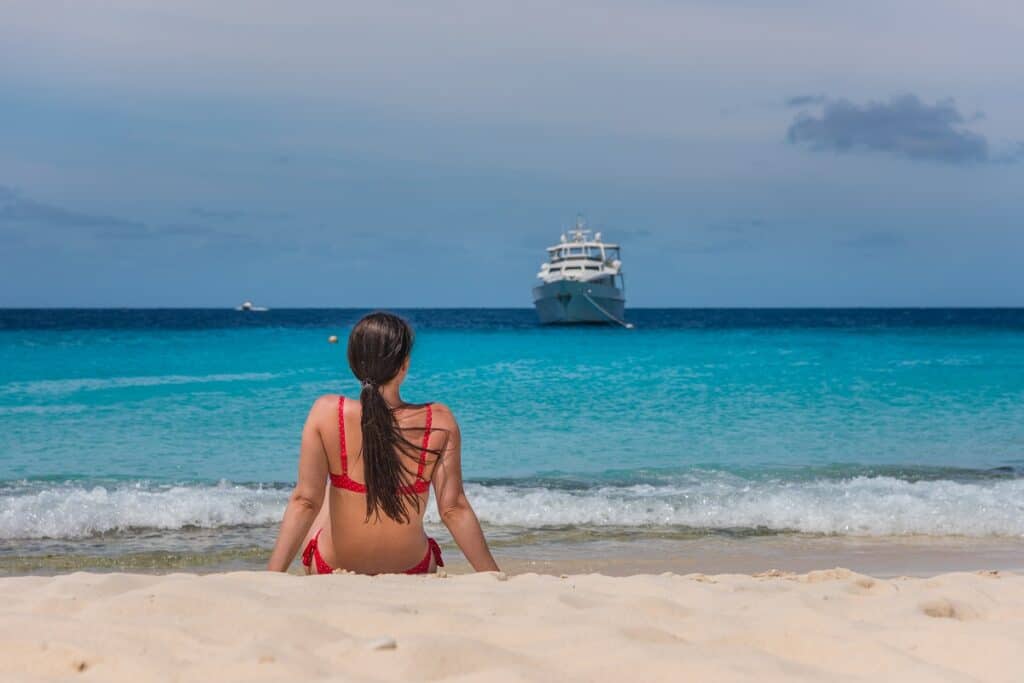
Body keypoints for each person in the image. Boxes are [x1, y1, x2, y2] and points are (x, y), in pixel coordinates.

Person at [267, 311, 499, 575]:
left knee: (324, 494)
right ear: (404, 365)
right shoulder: (439, 420)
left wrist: (271, 577)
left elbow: (305, 502)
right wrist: (493, 575)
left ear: (353, 363)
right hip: (413, 568)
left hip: (333, 567)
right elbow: (454, 509)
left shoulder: (327, 412)